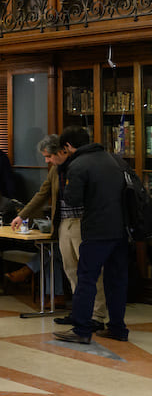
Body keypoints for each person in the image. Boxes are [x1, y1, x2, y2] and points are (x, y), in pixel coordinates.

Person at [10, 134, 102, 324]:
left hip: (83, 223)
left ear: (62, 151)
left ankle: (97, 315)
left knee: (90, 271)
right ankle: (80, 312)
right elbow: (42, 194)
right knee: (71, 270)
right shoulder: (55, 170)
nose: (47, 160)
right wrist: (22, 215)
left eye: (49, 156)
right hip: (63, 224)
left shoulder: (81, 166)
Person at [53, 126, 129, 344]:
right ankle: (117, 328)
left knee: (86, 279)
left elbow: (73, 200)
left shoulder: (78, 165)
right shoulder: (114, 160)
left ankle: (82, 329)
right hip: (121, 230)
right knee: (116, 281)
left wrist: (63, 175)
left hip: (96, 230)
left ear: (68, 146)